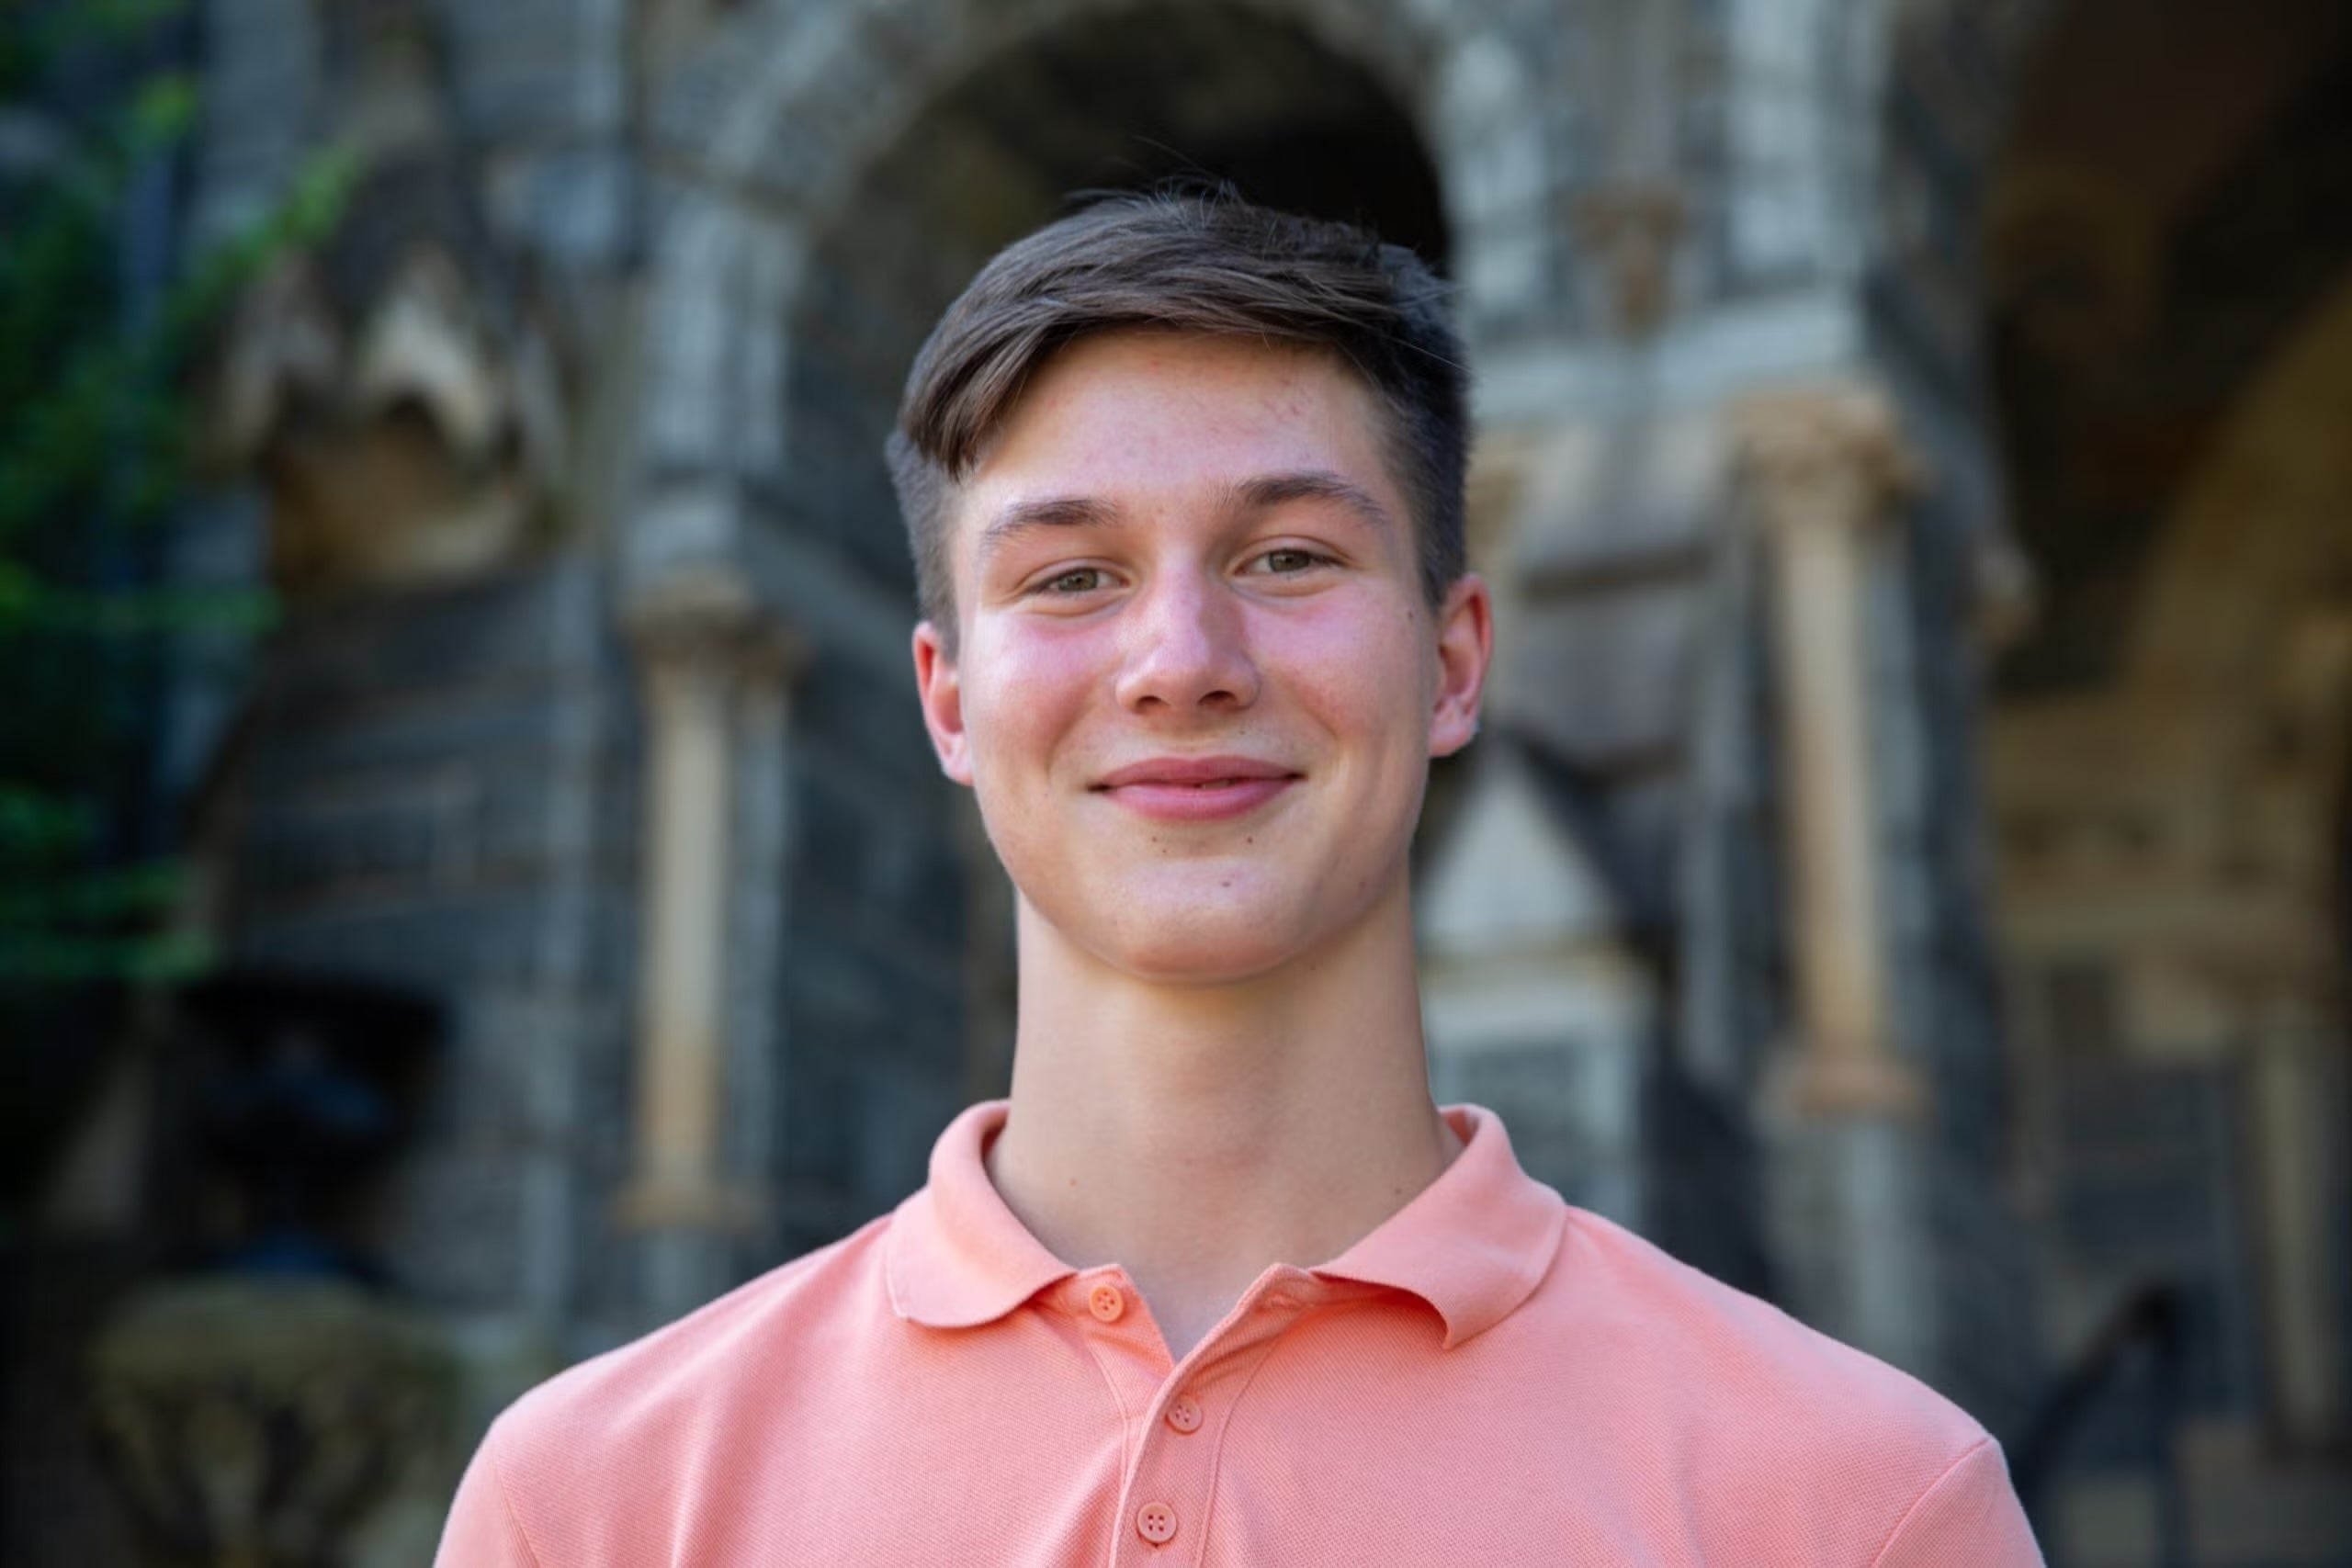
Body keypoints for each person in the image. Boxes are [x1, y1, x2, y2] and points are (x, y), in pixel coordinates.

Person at [434, 192, 2042, 1565]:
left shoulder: (1862, 1507)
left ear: (1456, 658)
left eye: (1286, 557)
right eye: (1072, 577)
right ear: (946, 700)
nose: (1180, 663)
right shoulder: (594, 1506)